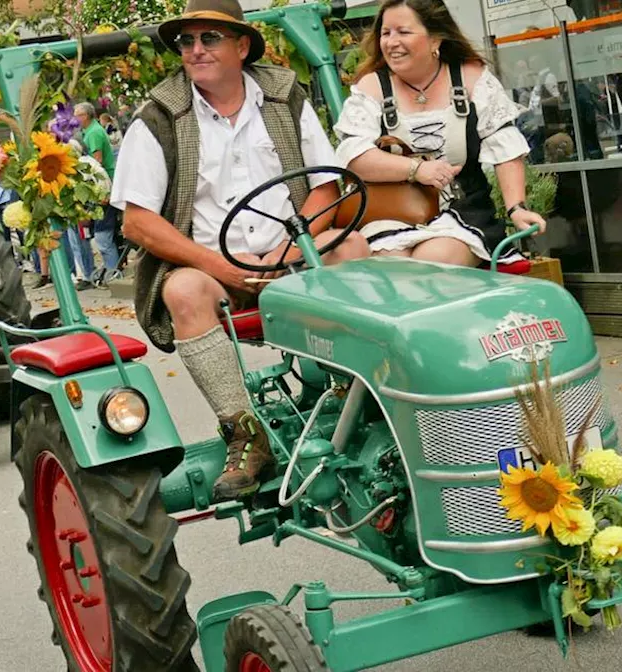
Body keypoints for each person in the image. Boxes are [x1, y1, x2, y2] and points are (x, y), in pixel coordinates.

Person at [111, 0, 370, 501]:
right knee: (183, 290)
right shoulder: (160, 115)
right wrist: (222, 267)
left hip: (288, 254)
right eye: (186, 41)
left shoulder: (283, 96)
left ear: (242, 45)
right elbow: (138, 222)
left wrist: (285, 250)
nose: (195, 50)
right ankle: (243, 431)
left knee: (353, 246)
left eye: (209, 38)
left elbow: (324, 185)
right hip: (209, 268)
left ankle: (348, 394)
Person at [333, 0, 545, 266]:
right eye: (386, 33)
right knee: (391, 262)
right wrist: (416, 170)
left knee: (434, 262)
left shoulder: (471, 78)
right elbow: (355, 157)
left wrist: (516, 207)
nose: (391, 42)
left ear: (435, 39)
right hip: (393, 211)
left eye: (403, 32)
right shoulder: (372, 86)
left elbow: (505, 147)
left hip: (463, 210)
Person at [74, 102, 125, 285]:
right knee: (103, 235)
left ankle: (113, 274)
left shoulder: (94, 133)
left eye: (77, 115)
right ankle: (111, 271)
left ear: (86, 116)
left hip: (103, 189)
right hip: (102, 188)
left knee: (103, 236)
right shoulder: (90, 131)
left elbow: (96, 163)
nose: (75, 119)